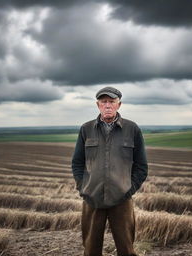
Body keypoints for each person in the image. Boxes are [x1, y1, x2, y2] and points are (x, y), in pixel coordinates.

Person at [72, 86, 148, 256]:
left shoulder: (132, 129)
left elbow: (141, 167)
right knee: (90, 250)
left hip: (122, 200)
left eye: (111, 102)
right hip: (92, 198)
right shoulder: (86, 129)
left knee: (126, 249)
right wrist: (83, 188)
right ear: (97, 105)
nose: (107, 105)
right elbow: (77, 163)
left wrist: (128, 190)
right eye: (104, 101)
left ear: (118, 105)